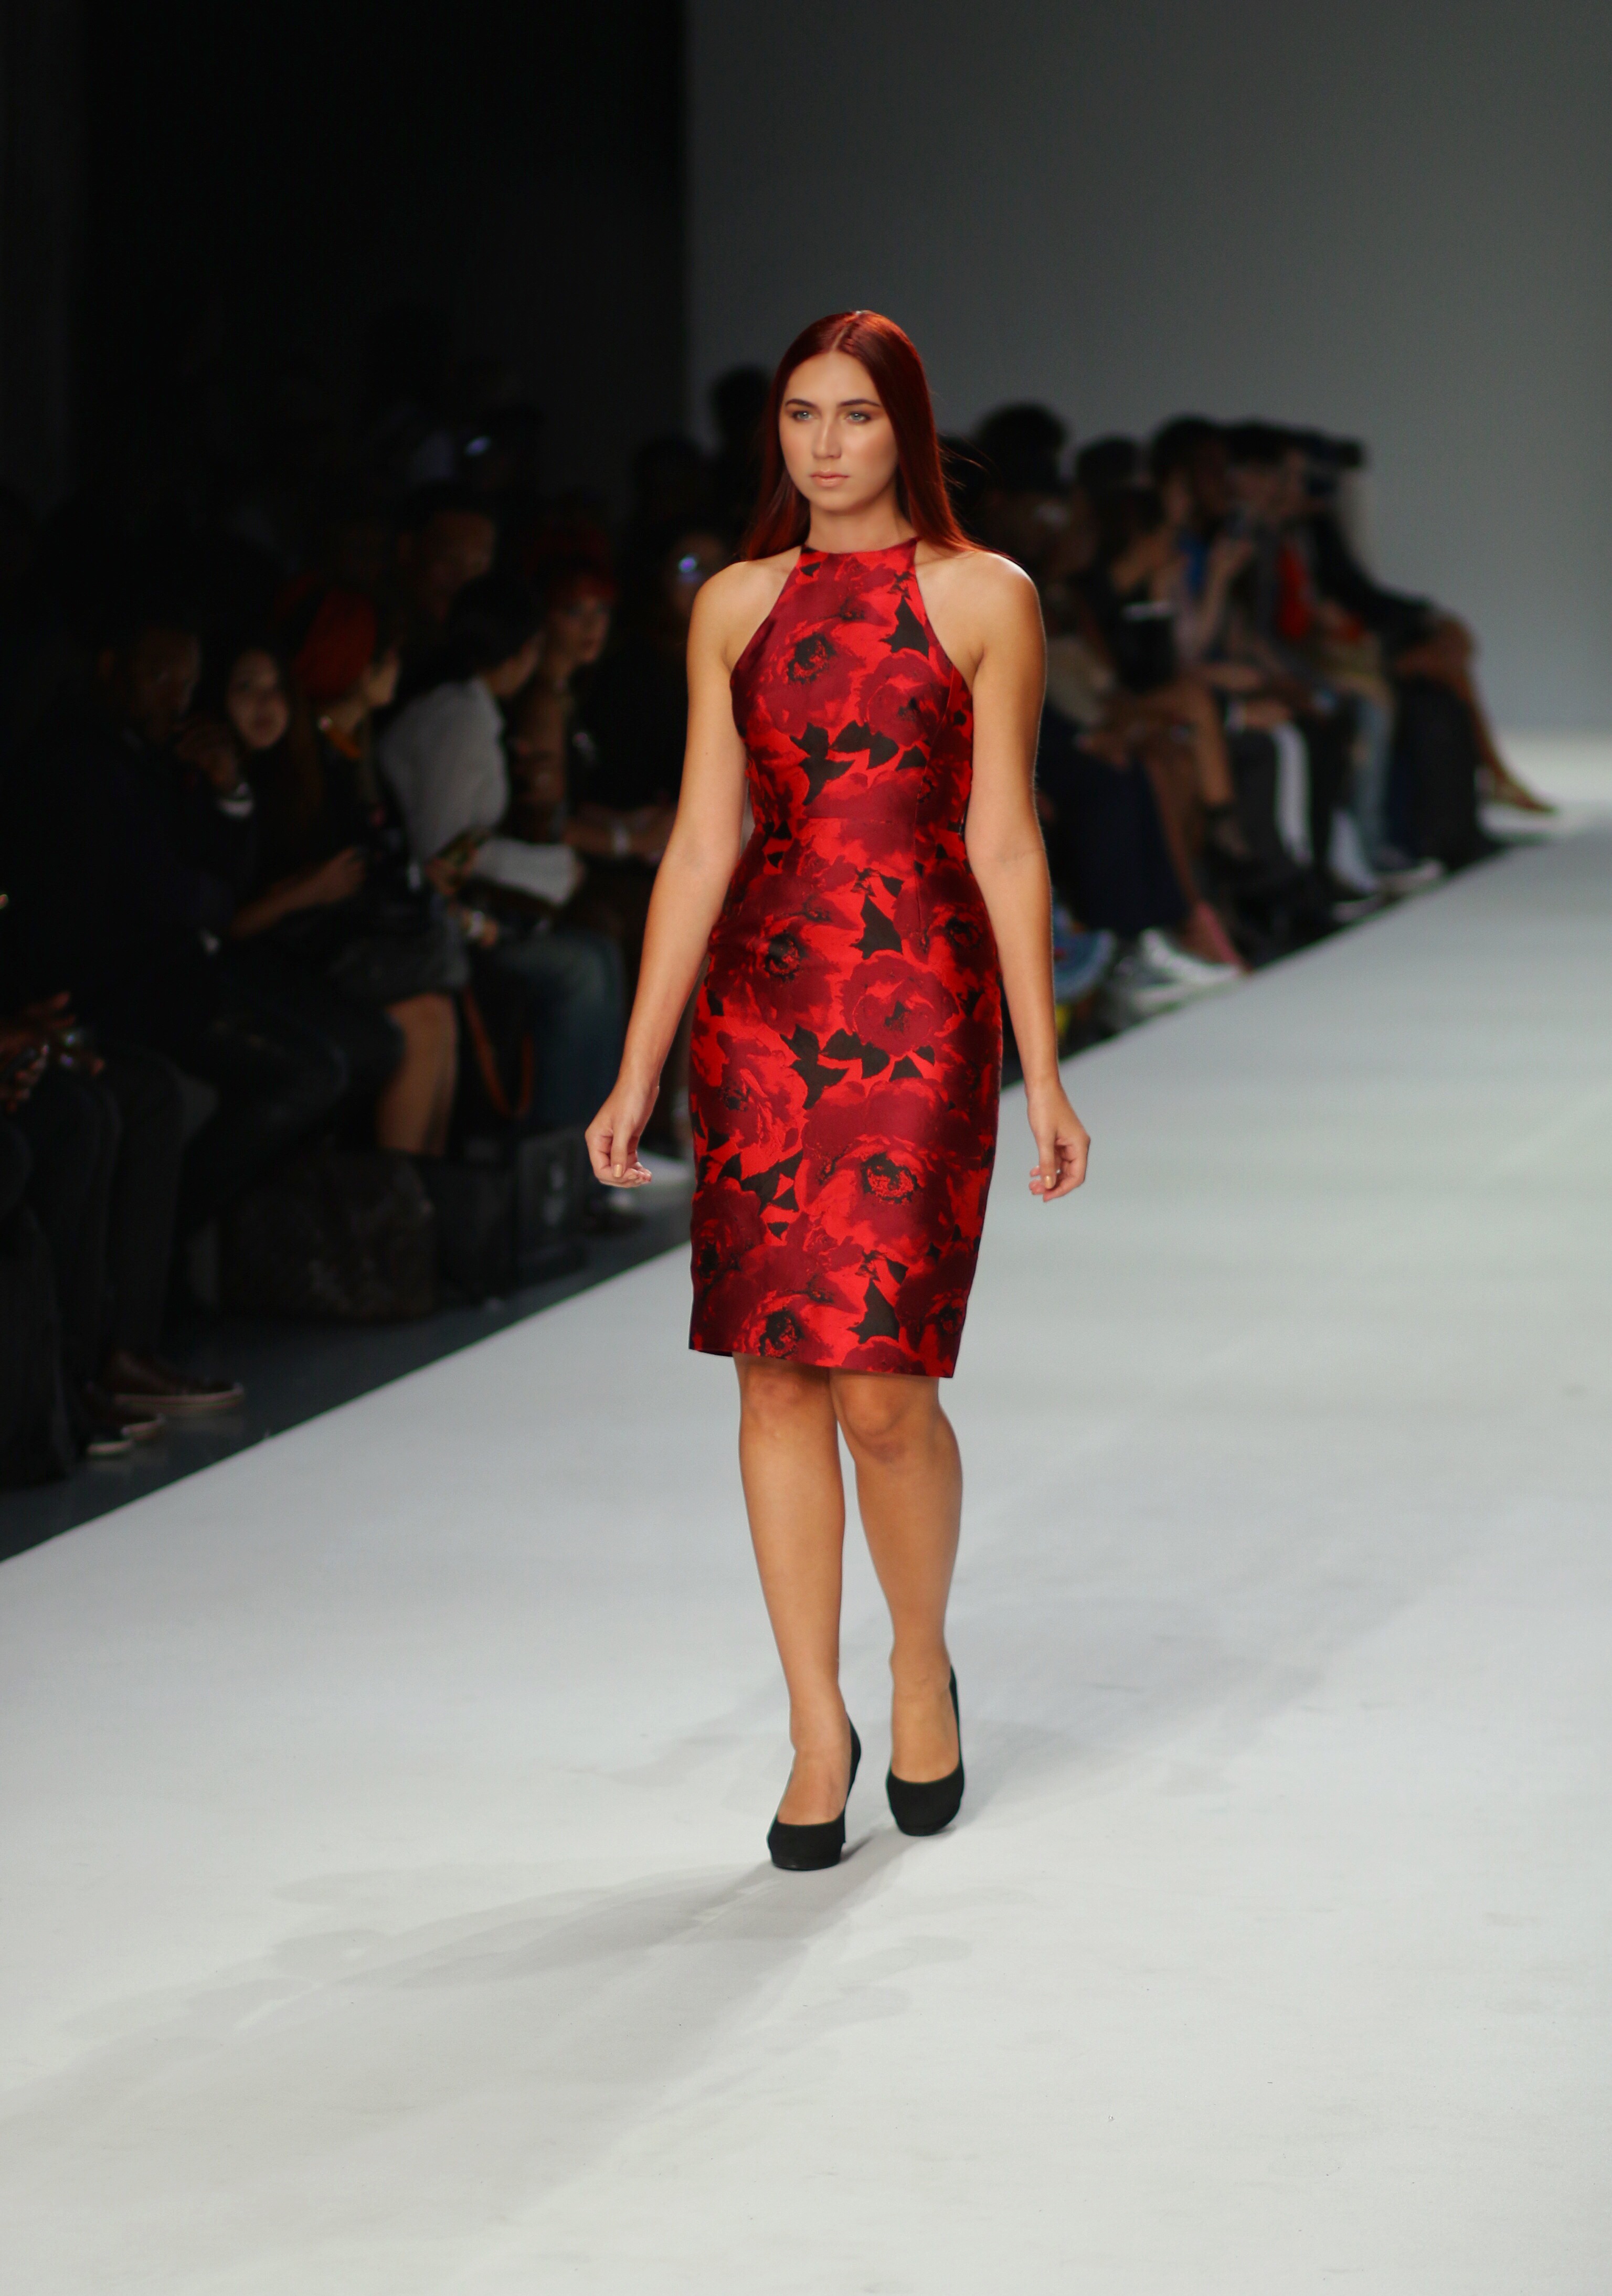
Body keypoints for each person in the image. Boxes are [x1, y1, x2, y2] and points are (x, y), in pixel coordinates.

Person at [587, 311, 1090, 1869]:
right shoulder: (734, 605)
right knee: (771, 1379)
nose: (822, 443)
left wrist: (1044, 1066)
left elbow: (1004, 837)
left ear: (905, 430)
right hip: (758, 1012)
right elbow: (700, 841)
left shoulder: (984, 595)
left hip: (920, 1008)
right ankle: (816, 1728)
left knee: (882, 1387)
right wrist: (638, 1061)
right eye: (799, 414)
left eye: (854, 415)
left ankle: (916, 1666)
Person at [0, 603, 347, 1232]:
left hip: (174, 970)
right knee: (307, 1071)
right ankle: (176, 1241)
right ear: (112, 668)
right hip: (113, 988)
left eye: (187, 684)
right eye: (160, 677)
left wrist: (226, 790)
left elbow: (212, 877)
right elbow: (171, 890)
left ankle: (179, 1248)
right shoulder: (81, 754)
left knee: (339, 1052)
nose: (175, 698)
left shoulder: (159, 752)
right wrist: (222, 904)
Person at [218, 620, 462, 1156]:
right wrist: (306, 891)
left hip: (312, 946)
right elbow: (225, 920)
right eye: (246, 687)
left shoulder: (316, 761)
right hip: (269, 960)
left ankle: (420, 1190)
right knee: (422, 1020)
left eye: (277, 688)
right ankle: (399, 1190)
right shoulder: (236, 780)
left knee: (437, 1012)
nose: (266, 703)